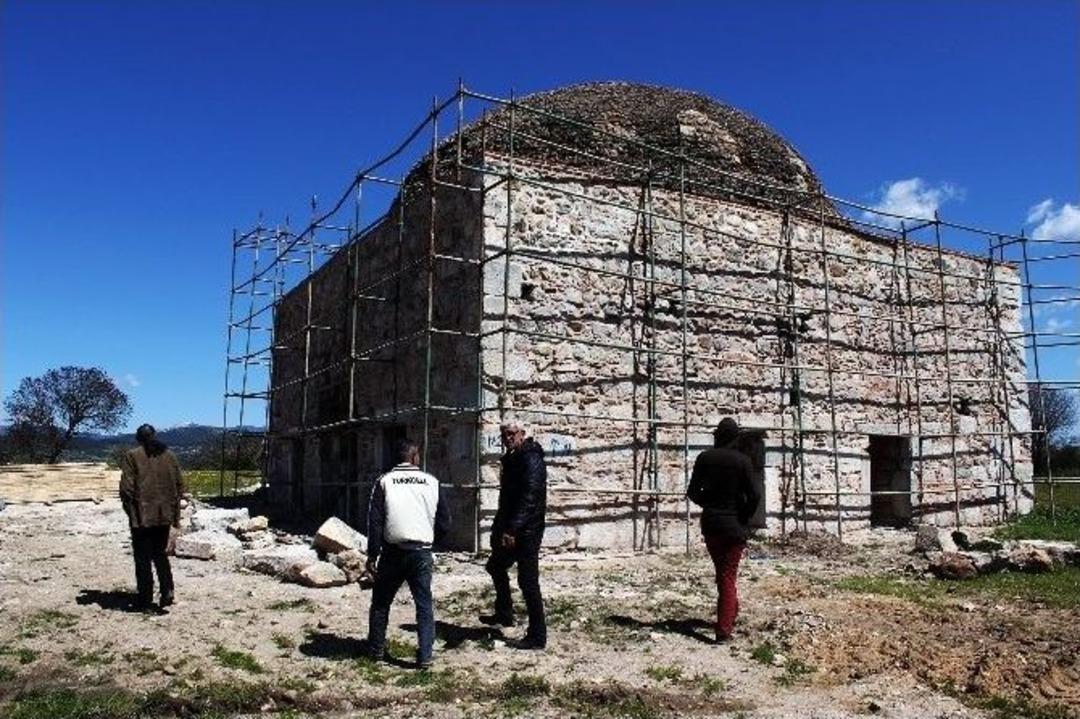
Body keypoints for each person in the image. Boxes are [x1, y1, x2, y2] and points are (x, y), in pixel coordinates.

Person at [365, 438, 450, 669]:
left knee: (381, 602)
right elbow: (444, 521)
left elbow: (375, 521)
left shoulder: (384, 481)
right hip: (421, 551)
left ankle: (376, 650)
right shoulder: (432, 481)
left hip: (393, 552)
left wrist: (372, 554)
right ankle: (425, 655)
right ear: (414, 457)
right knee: (424, 605)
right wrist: (432, 542)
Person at [686, 417, 760, 642]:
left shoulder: (705, 458)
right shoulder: (743, 461)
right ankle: (723, 630)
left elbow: (693, 492)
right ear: (735, 438)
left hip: (711, 524)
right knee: (727, 576)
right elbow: (755, 495)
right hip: (733, 526)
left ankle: (730, 612)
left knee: (723, 573)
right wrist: (744, 516)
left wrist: (709, 503)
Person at [481, 419, 547, 650]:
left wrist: (512, 528)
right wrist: (501, 527)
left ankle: (537, 635)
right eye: (504, 434)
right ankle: (505, 613)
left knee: (528, 581)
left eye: (511, 433)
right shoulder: (513, 457)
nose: (507, 438)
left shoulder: (531, 457)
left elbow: (530, 496)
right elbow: (509, 498)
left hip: (526, 530)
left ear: (522, 434)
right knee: (495, 566)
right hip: (511, 527)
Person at [119, 424, 185, 612]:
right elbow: (179, 485)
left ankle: (145, 599)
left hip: (142, 516)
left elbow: (126, 489)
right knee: (160, 554)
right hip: (164, 514)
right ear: (154, 435)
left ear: (138, 438)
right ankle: (167, 590)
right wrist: (174, 514)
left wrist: (131, 512)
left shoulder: (132, 456)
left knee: (142, 559)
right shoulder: (169, 455)